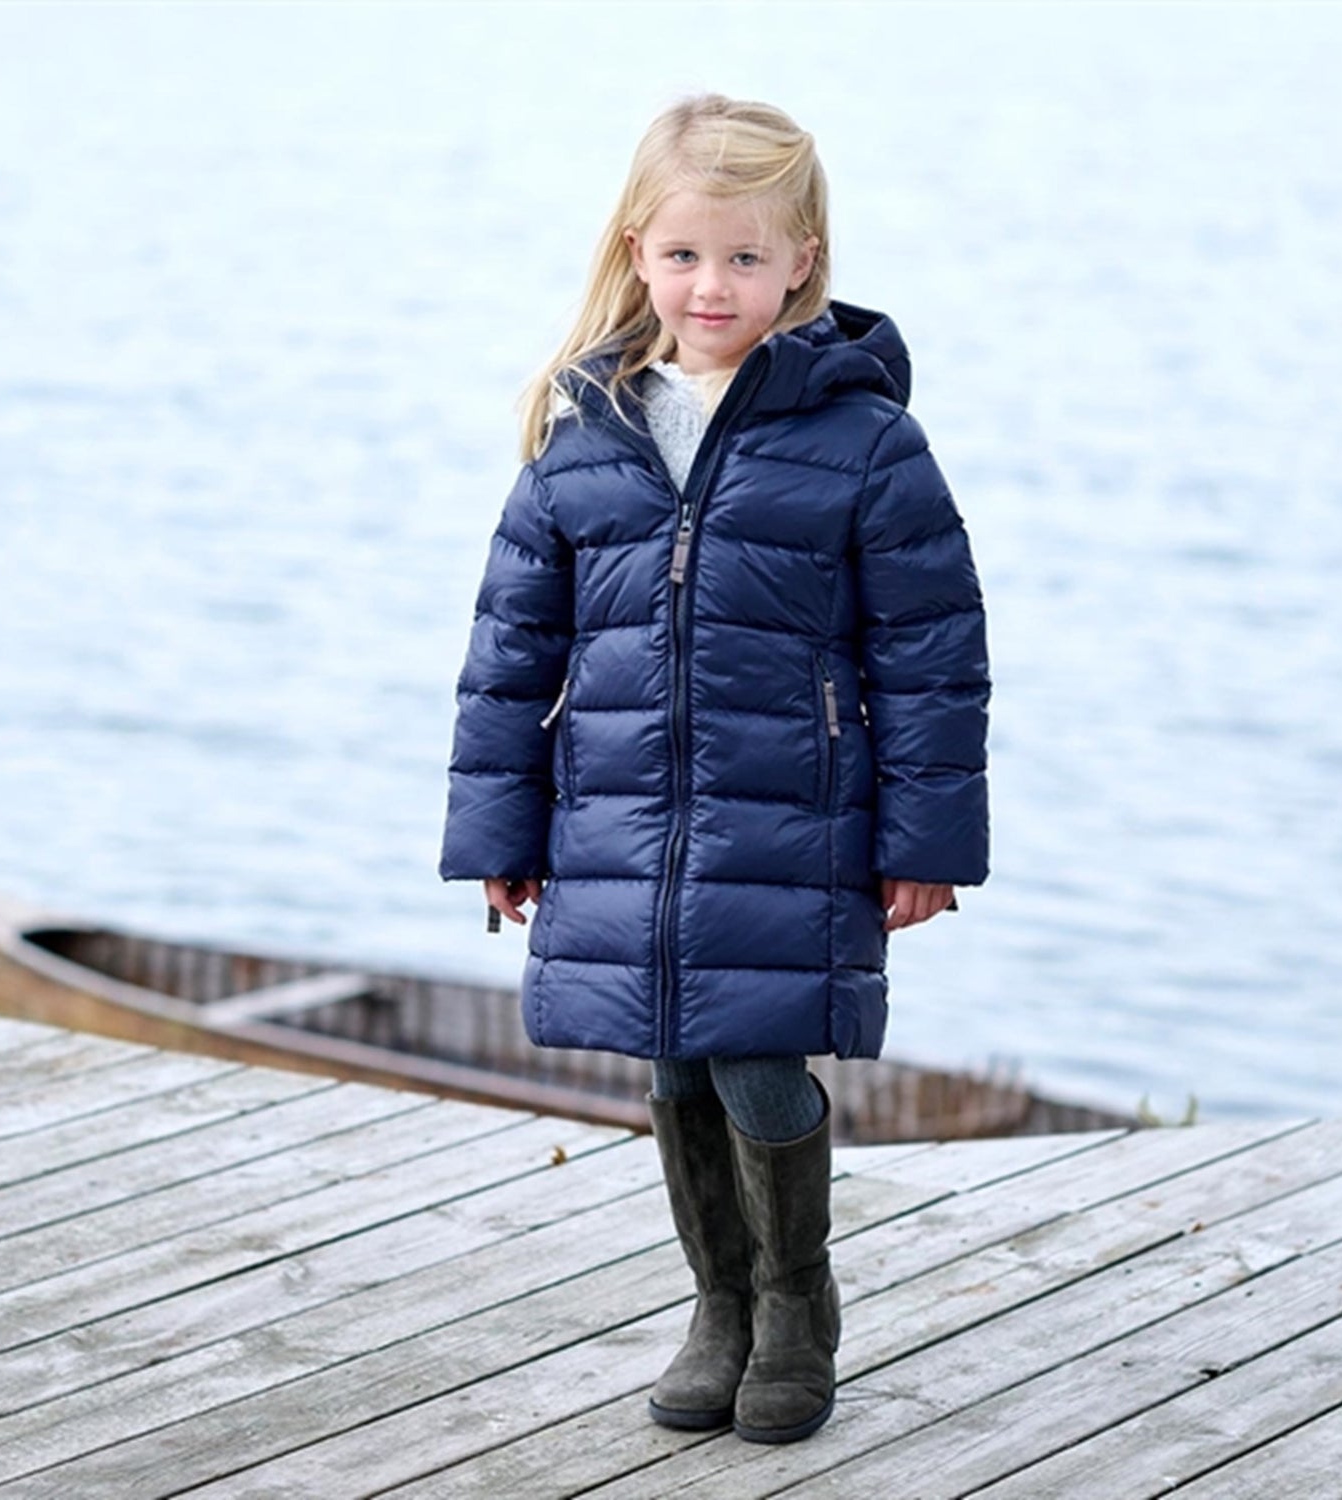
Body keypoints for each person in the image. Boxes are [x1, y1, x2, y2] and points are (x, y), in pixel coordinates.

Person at [439, 94, 990, 1445]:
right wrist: (500, 831)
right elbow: (508, 657)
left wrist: (925, 842)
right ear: (638, 251)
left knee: (752, 1061)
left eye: (744, 258)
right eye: (685, 255)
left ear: (803, 261)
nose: (712, 286)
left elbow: (932, 655)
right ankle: (719, 1308)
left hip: (787, 822)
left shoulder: (865, 443)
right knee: (673, 1066)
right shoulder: (582, 434)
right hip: (619, 817)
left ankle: (796, 1307)